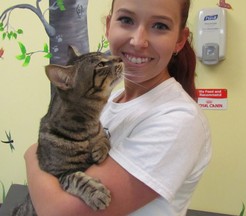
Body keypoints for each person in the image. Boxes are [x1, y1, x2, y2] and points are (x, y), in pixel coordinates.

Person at [24, 0, 212, 215]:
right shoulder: (109, 100)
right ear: (108, 26)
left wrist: (32, 154)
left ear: (179, 40)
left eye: (160, 26)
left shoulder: (178, 119)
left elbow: (58, 212)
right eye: (126, 20)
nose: (138, 41)